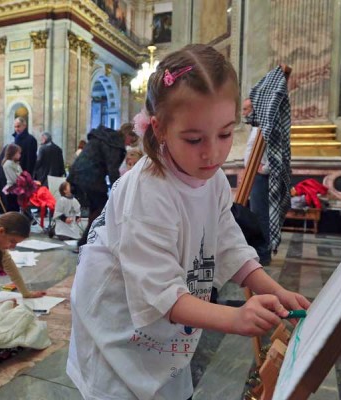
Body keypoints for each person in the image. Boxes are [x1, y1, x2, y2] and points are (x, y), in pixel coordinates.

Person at [66, 44, 310, 400]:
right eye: (194, 139)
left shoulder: (209, 178)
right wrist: (235, 319)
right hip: (116, 330)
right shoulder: (148, 192)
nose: (212, 153)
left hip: (167, 328)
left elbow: (227, 242)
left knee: (168, 382)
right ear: (160, 129)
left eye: (225, 134)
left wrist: (274, 290)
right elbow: (160, 293)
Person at [67, 125, 126, 246]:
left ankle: (88, 241)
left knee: (96, 210)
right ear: (128, 136)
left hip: (77, 175)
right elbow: (112, 168)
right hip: (90, 178)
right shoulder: (113, 143)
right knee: (101, 209)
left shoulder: (103, 138)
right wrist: (120, 189)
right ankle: (85, 242)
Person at [242, 97, 271, 265]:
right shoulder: (256, 128)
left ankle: (263, 252)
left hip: (260, 176)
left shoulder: (266, 127)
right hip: (252, 174)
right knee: (255, 213)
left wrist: (264, 168)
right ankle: (258, 249)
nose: (244, 113)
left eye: (246, 109)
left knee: (260, 214)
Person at [2, 143, 23, 212]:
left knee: (16, 209)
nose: (20, 155)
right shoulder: (8, 164)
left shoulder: (15, 163)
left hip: (17, 189)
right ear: (13, 153)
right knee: (13, 211)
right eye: (18, 153)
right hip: (12, 189)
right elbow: (14, 179)